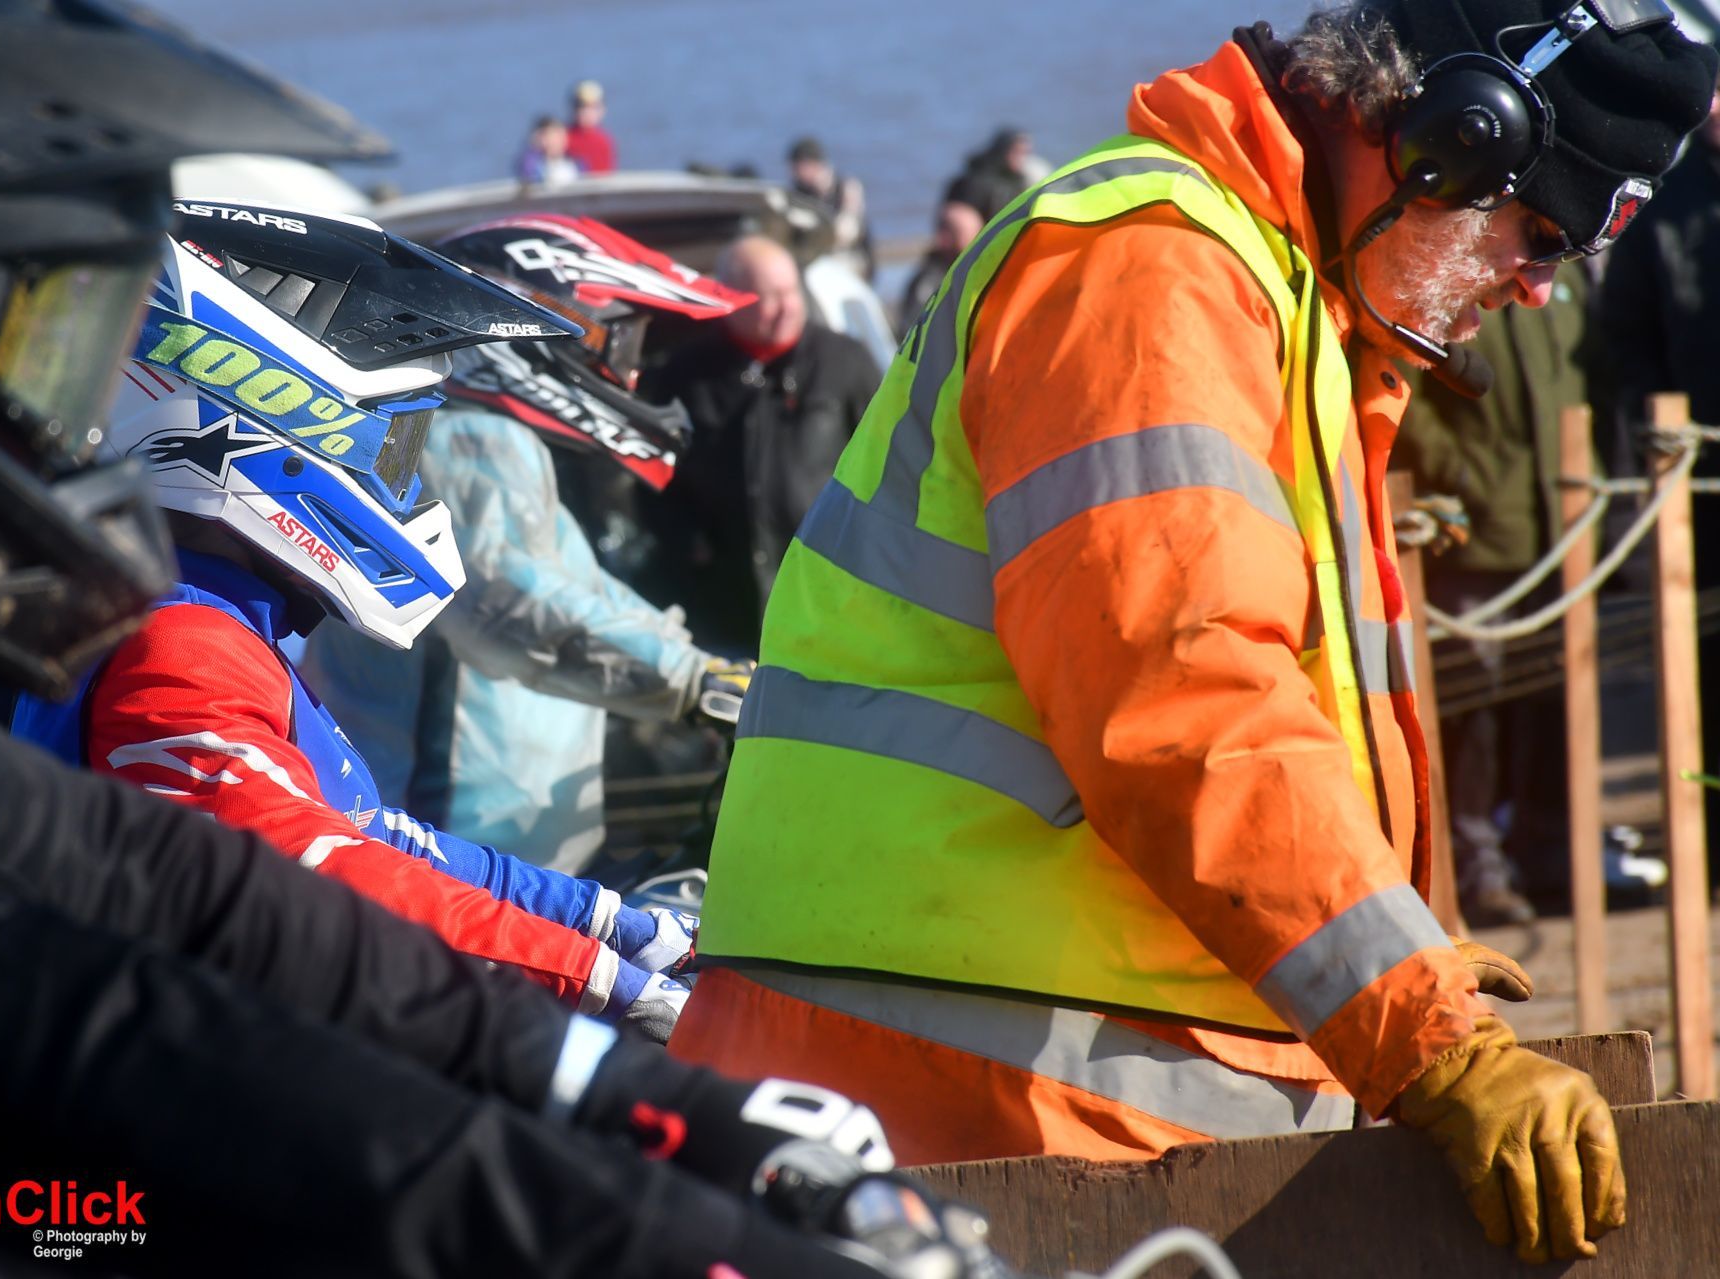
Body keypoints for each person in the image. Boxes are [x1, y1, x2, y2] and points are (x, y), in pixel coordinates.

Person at [0, 6, 996, 1278]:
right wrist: (614, 1037)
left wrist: (609, 950)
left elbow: (324, 857)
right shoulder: (182, 645)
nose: (47, 415)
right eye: (32, 357)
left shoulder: (218, 634)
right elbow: (259, 896)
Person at [672, 0, 1714, 1265]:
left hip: (1013, 1075)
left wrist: (1383, 928)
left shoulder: (1269, 291)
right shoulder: (1151, 267)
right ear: (1446, 137)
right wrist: (1422, 1029)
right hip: (970, 1092)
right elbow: (1183, 692)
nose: (1540, 285)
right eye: (1540, 229)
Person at [11, 205, 699, 1038]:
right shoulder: (175, 642)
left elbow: (384, 837)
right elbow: (322, 876)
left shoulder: (214, 619)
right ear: (279, 425)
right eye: (397, 445)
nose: (406, 476)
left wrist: (615, 924)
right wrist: (604, 986)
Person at [300, 214, 759, 872]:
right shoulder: (464, 440)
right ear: (539, 323)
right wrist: (693, 681)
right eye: (620, 344)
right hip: (443, 854)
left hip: (483, 853)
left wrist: (710, 667)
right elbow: (508, 601)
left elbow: (584, 592)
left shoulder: (465, 438)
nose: (626, 373)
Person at [1396, 261, 1595, 924]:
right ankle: (1477, 867)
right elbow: (1409, 384)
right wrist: (1458, 472)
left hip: (1557, 521)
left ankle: (1550, 854)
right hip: (1476, 527)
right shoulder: (1461, 270)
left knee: (1552, 698)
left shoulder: (1558, 281)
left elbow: (1592, 369)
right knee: (1471, 705)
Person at [631, 234, 881, 654]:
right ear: (734, 299)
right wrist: (691, 551)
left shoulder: (844, 361)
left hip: (827, 588)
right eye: (770, 297)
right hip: (724, 600)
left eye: (790, 293)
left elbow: (888, 460)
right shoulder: (685, 373)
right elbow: (652, 473)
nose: (786, 307)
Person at [1591, 73, 1720, 885]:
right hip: (1699, 476)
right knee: (1704, 665)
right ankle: (1708, 848)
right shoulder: (1663, 209)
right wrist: (1652, 439)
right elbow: (1624, 342)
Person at [897, 196, 984, 336]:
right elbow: (910, 330)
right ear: (945, 238)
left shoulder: (974, 273)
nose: (976, 244)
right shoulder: (929, 282)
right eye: (968, 236)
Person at [789, 135, 874, 278]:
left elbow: (847, 231)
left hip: (849, 258)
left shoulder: (845, 187)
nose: (797, 173)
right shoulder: (797, 194)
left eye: (801, 166)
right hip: (815, 261)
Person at [566, 78, 619, 175]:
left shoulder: (605, 141)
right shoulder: (562, 137)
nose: (587, 112)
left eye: (594, 107)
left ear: (602, 110)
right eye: (581, 106)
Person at [517, 114, 580, 186]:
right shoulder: (534, 165)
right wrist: (534, 147)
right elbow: (526, 173)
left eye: (558, 136)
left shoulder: (577, 164)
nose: (554, 142)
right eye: (549, 137)